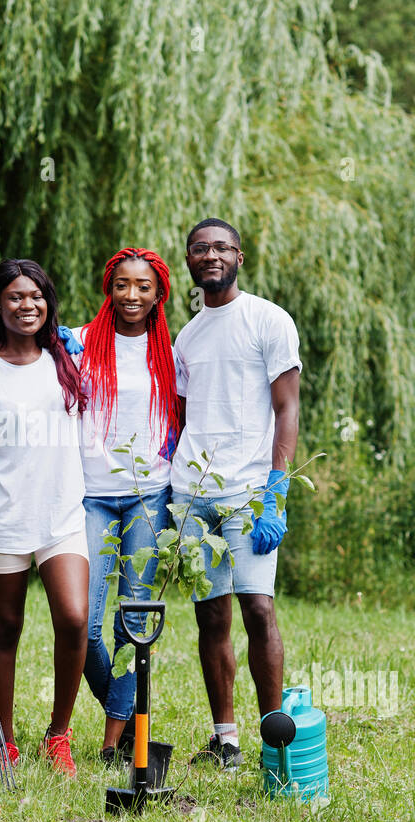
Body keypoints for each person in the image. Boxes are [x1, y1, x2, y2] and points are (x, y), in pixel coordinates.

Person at [174, 218, 301, 770]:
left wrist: (276, 492)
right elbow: (182, 416)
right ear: (190, 261)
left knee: (258, 609)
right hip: (193, 493)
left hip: (249, 493)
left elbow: (287, 408)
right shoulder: (187, 335)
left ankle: (274, 742)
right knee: (210, 617)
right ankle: (225, 739)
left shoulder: (268, 320)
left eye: (222, 247)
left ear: (240, 257)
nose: (212, 255)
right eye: (201, 248)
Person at [0, 258, 89, 775]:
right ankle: (3, 737)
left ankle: (58, 734)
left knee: (74, 618)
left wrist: (73, 341)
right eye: (14, 297)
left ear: (47, 302)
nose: (26, 305)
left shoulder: (68, 359)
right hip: (3, 514)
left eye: (35, 296)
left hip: (61, 512)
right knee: (6, 624)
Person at [73, 248, 180, 764]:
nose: (131, 295)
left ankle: (113, 744)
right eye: (121, 284)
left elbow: (186, 417)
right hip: (91, 494)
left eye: (142, 286)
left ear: (159, 292)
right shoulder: (80, 344)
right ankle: (119, 700)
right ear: (107, 287)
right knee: (84, 622)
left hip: (148, 496)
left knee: (133, 621)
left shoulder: (171, 353)